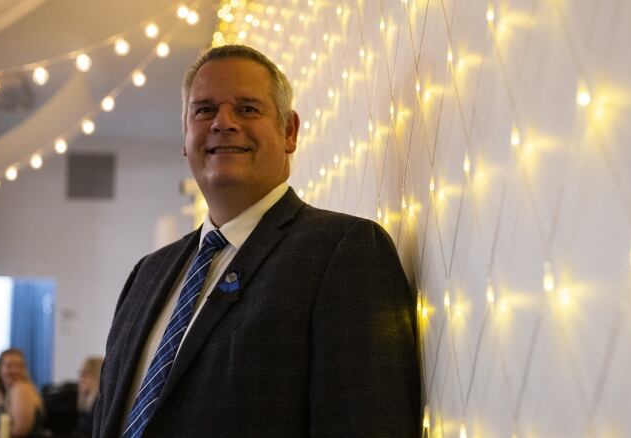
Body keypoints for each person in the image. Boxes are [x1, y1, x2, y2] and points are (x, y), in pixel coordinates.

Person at [93, 45, 420, 437]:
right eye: (204, 110)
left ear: (289, 131)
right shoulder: (146, 274)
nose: (223, 122)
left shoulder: (344, 251)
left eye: (247, 108)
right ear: (185, 136)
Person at [0, 349, 44, 437]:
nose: (14, 370)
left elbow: (19, 431)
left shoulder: (21, 388)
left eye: (19, 366)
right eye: (9, 365)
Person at [72, 357, 102, 438]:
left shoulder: (100, 404)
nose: (81, 379)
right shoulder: (86, 399)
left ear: (97, 376)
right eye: (80, 375)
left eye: (85, 374)